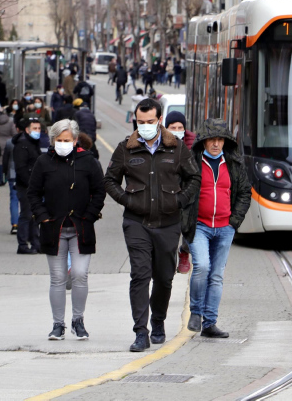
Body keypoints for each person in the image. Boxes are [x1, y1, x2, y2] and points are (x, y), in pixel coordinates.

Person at [104, 98, 201, 352]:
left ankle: (158, 321)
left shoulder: (176, 148)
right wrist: (126, 199)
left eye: (149, 121)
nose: (144, 126)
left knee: (164, 278)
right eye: (140, 121)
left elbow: (194, 177)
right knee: (140, 275)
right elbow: (110, 180)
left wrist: (179, 200)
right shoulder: (125, 148)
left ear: (159, 120)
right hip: (137, 222)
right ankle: (140, 332)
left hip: (169, 223)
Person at [28, 120, 106, 340]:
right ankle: (58, 324)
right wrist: (42, 217)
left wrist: (90, 215)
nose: (63, 144)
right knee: (58, 277)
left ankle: (78, 321)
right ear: (53, 141)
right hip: (54, 229)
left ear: (75, 140)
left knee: (80, 275)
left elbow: (99, 191)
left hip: (81, 227)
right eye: (59, 140)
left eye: (67, 140)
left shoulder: (88, 161)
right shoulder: (43, 162)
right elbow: (33, 193)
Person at [183, 119, 251, 337]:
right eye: (211, 139)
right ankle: (196, 312)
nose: (215, 144)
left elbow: (245, 193)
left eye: (220, 140)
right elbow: (182, 193)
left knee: (216, 275)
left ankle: (209, 323)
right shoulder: (192, 163)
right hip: (200, 226)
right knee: (202, 267)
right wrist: (186, 222)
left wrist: (234, 222)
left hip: (224, 227)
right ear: (203, 141)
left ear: (225, 142)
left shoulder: (233, 164)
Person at [166, 111, 196, 274]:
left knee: (188, 229)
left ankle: (184, 252)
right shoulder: (161, 144)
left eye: (180, 127)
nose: (177, 130)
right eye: (173, 127)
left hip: (187, 195)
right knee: (169, 234)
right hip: (168, 195)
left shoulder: (194, 144)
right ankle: (169, 261)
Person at [13, 117, 43, 253]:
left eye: (39, 128)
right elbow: (21, 168)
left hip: (35, 187)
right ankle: (22, 245)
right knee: (26, 215)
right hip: (26, 187)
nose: (37, 131)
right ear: (27, 130)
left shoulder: (34, 143)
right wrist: (32, 185)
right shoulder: (23, 145)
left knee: (34, 216)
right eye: (34, 129)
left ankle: (36, 243)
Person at [0, 107, 17, 184]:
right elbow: (14, 133)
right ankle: (6, 177)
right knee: (8, 160)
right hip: (8, 142)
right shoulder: (10, 122)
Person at [2, 137, 19, 234]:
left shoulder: (10, 142)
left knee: (14, 199)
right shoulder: (31, 141)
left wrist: (4, 172)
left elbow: (5, 159)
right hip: (27, 174)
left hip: (13, 173)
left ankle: (15, 224)